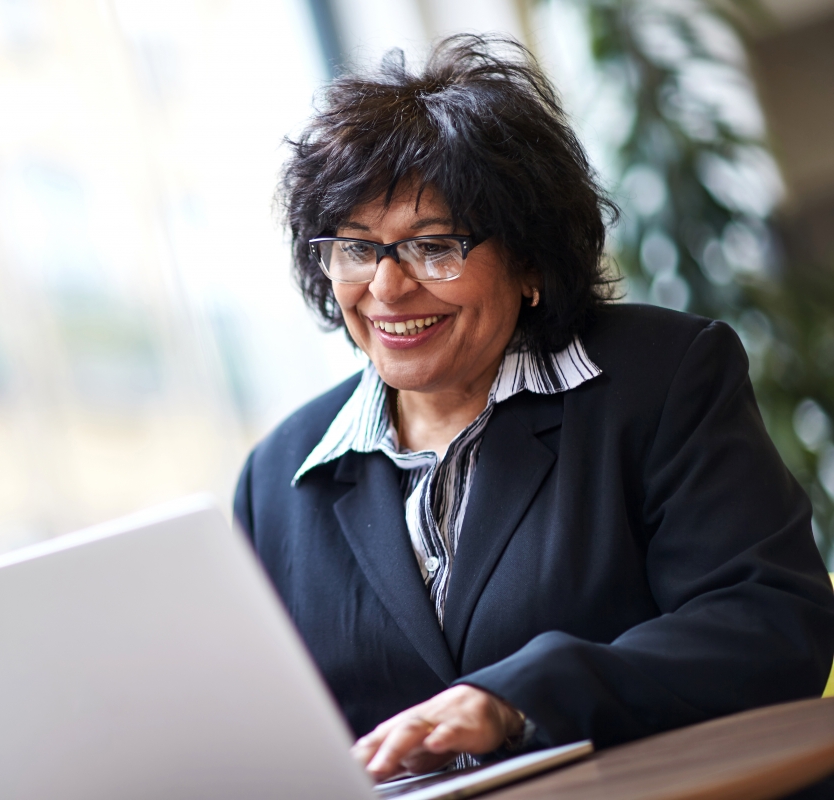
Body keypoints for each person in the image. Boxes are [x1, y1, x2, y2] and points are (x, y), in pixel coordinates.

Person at [233, 34, 834, 782]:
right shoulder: (277, 477)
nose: (386, 290)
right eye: (356, 249)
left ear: (529, 258)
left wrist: (513, 700)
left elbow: (771, 628)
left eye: (432, 246)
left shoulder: (660, 378)